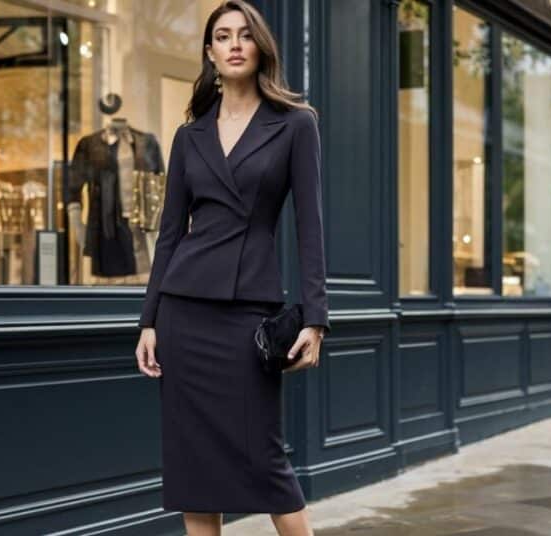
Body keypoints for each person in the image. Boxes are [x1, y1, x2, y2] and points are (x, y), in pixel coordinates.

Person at [134, 2, 330, 534]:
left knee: (266, 461)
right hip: (183, 313)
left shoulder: (295, 124)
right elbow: (170, 234)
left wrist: (316, 318)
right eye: (223, 36)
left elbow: (309, 228)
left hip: (248, 315)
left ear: (260, 46)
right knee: (195, 470)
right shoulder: (189, 136)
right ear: (210, 53)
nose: (235, 44)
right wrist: (148, 322)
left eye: (245, 35)